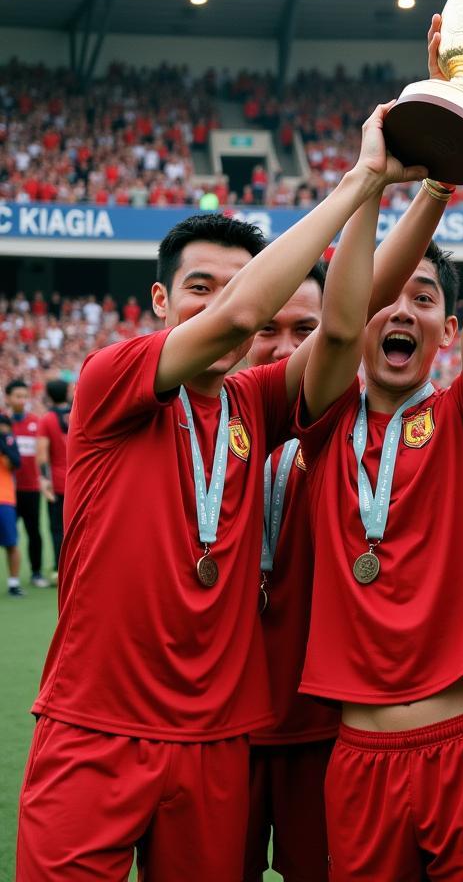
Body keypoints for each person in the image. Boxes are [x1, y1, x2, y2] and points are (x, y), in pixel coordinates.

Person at [16, 103, 427, 882]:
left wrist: (427, 192)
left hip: (213, 740)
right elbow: (244, 312)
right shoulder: (114, 379)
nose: (222, 304)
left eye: (237, 285)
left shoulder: (255, 405)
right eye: (197, 287)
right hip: (94, 727)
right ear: (161, 303)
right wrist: (359, 179)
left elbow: (346, 325)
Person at [243, 180, 455, 882]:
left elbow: (348, 322)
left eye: (303, 331)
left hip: (322, 728)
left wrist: (430, 189)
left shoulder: (332, 422)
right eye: (267, 328)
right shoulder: (188, 425)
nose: (283, 347)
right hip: (218, 726)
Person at [5, 381, 53, 588]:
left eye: (24, 396)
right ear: (7, 398)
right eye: (17, 396)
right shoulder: (3, 424)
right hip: (8, 490)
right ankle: (12, 578)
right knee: (8, 535)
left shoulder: (37, 422)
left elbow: (44, 454)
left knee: (34, 532)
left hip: (31, 489)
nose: (21, 400)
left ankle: (35, 572)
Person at [39, 379, 71, 575]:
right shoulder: (78, 412)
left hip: (58, 484)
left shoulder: (47, 419)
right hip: (82, 482)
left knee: (57, 529)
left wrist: (44, 479)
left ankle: (61, 570)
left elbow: (42, 454)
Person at [0, 413, 23, 596]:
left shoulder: (8, 442)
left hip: (4, 499)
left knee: (11, 543)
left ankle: (14, 583)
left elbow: (15, 463)